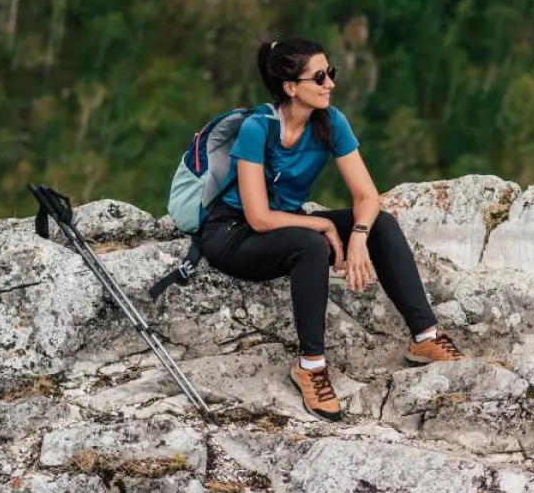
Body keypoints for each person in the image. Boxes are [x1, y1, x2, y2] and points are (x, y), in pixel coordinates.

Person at [198, 37, 464, 421]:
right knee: (311, 244)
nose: (330, 84)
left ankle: (425, 338)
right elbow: (257, 217)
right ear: (291, 87)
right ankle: (310, 366)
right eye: (319, 76)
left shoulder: (331, 122)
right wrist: (322, 222)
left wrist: (357, 237)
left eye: (331, 73)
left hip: (282, 226)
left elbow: (368, 197)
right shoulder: (258, 128)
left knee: (381, 225)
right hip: (232, 234)